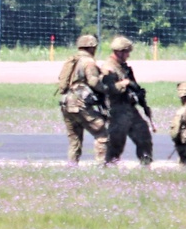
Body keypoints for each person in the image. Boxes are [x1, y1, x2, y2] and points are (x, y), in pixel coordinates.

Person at [100, 36, 155, 167]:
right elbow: (108, 89)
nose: (128, 55)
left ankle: (145, 162)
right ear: (119, 51)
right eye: (126, 52)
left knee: (143, 136)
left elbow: (134, 85)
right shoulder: (108, 68)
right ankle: (109, 166)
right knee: (116, 142)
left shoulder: (124, 67)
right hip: (116, 109)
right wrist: (125, 83)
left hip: (129, 107)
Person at [56, 34, 109, 165]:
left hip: (66, 103)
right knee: (102, 133)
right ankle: (101, 165)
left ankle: (72, 166)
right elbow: (93, 82)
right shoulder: (88, 62)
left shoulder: (73, 61)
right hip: (80, 104)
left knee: (74, 139)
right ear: (91, 48)